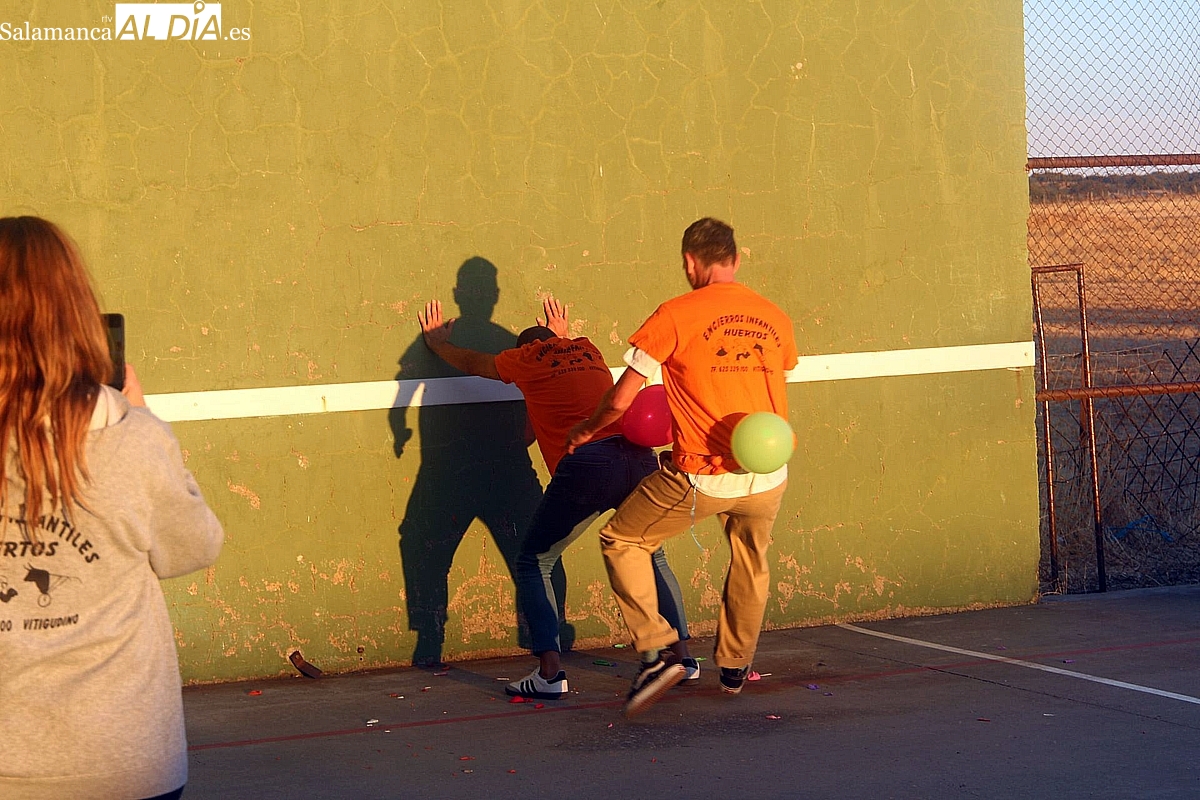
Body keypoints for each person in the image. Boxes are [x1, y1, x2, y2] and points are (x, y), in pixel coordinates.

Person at [0, 216, 225, 800]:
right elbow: (193, 548)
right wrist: (143, 418)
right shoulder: (131, 435)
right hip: (122, 760)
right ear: (76, 311)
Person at [568, 217, 798, 718]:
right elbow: (778, 370)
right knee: (751, 559)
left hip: (702, 475)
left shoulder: (674, 315)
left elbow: (621, 400)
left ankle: (656, 653)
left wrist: (586, 429)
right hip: (769, 474)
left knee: (623, 540)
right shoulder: (774, 316)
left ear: (690, 263)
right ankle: (735, 666)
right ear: (736, 260)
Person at [418, 295, 695, 699]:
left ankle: (549, 673)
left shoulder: (526, 359)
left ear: (526, 347)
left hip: (589, 465)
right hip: (637, 457)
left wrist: (439, 345)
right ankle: (684, 658)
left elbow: (477, 364)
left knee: (535, 561)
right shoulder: (588, 349)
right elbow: (542, 416)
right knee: (652, 554)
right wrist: (561, 339)